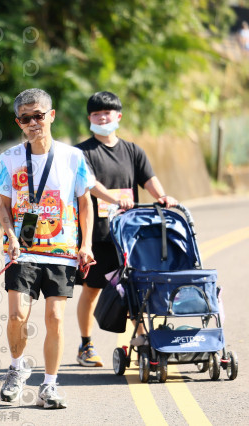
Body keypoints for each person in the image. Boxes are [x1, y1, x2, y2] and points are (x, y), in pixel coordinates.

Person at [0, 88, 95, 409]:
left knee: (55, 318)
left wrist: (86, 244)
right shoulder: (8, 159)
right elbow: (3, 206)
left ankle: (49, 385)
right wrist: (10, 237)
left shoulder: (73, 157)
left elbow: (85, 203)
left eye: (38, 115)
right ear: (18, 123)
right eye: (26, 118)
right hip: (22, 250)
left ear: (51, 116)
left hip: (61, 250)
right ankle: (17, 367)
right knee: (16, 315)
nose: (33, 123)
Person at [74, 91, 178, 368]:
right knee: (93, 289)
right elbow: (90, 184)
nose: (101, 118)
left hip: (130, 235)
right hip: (98, 235)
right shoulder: (82, 153)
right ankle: (86, 345)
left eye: (106, 113)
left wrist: (162, 197)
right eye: (96, 114)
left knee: (134, 287)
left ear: (118, 116)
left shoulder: (133, 151)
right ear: (89, 119)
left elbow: (149, 179)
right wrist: (114, 199)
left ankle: (141, 336)